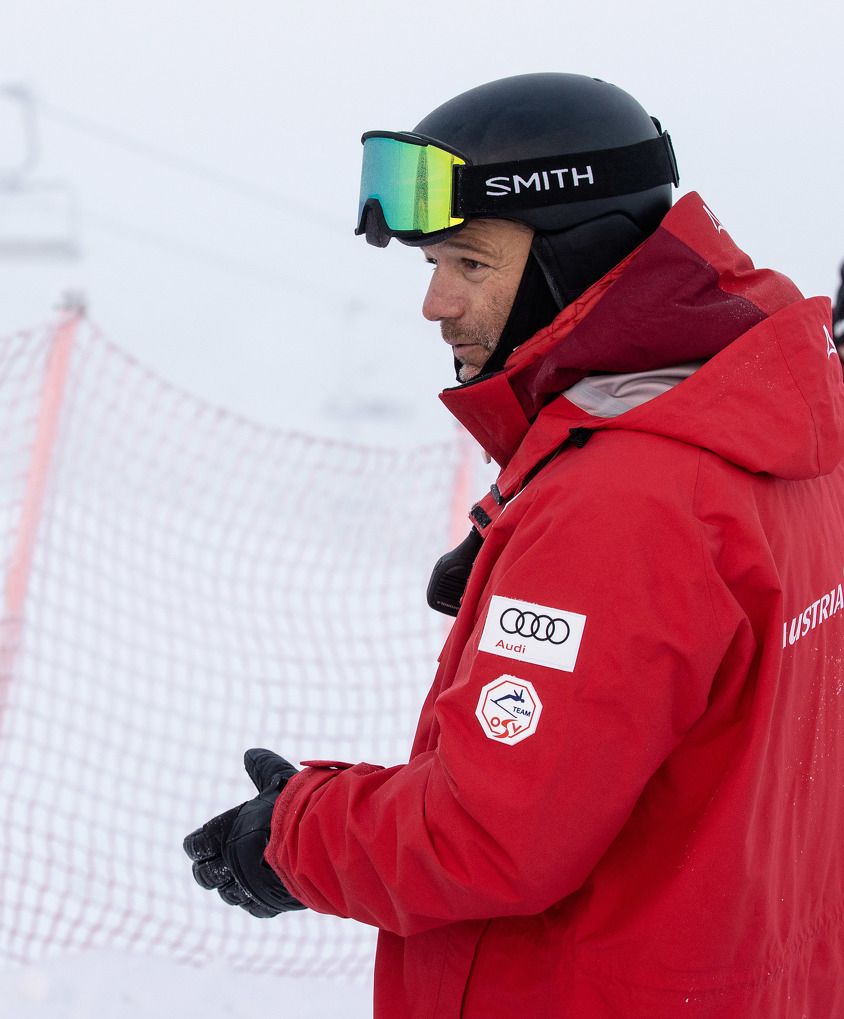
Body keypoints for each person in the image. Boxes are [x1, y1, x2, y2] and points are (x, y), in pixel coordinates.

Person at [185, 72, 844, 1016]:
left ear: (578, 261)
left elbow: (489, 836)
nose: (437, 303)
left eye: (471, 263)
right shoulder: (779, 436)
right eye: (429, 266)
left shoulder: (630, 498)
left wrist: (290, 834)